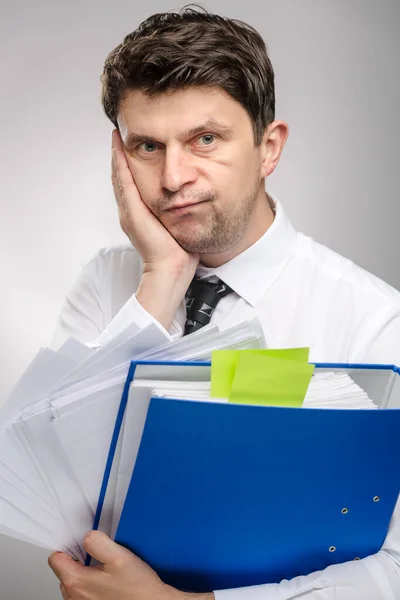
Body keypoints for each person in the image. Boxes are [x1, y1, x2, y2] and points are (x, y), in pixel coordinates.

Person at [48, 5, 400, 600]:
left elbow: (393, 564)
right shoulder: (105, 283)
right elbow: (61, 490)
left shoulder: (375, 321)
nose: (172, 178)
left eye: (204, 139)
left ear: (269, 148)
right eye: (147, 147)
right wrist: (160, 276)